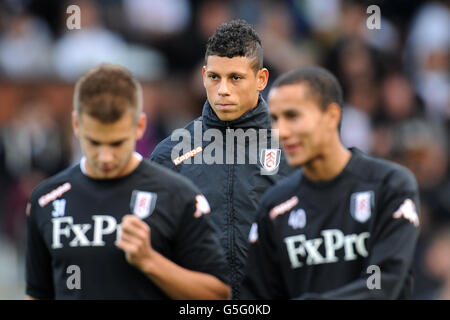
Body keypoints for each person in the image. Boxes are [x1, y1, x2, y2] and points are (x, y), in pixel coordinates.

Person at [25, 64, 230, 300]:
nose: (105, 157)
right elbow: (37, 293)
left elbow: (219, 295)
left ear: (140, 126)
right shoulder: (46, 199)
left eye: (116, 143)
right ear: (76, 125)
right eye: (94, 143)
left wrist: (150, 261)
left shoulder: (177, 195)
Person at [241, 66, 420, 299]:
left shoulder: (389, 186)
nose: (281, 132)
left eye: (292, 116)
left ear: (331, 116)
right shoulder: (274, 206)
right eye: (275, 119)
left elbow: (382, 286)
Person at [150, 19, 293, 299]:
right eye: (214, 77)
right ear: (203, 75)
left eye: (235, 78)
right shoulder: (170, 155)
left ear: (261, 79)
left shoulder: (293, 149)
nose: (223, 90)